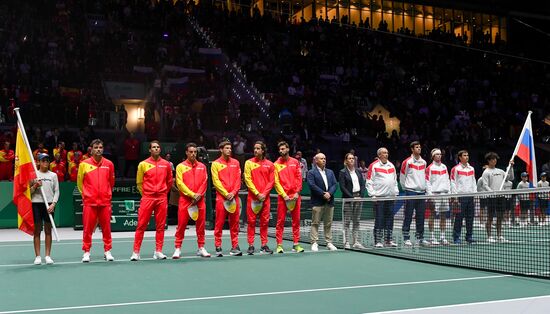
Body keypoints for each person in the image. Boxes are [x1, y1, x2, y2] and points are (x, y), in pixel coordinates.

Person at [131, 141, 173, 261]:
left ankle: (158, 251)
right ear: (149, 150)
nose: (156, 149)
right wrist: (145, 194)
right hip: (147, 197)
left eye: (158, 147)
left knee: (160, 226)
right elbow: (139, 182)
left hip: (161, 198)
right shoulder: (143, 164)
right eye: (153, 147)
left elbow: (169, 181)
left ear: (160, 149)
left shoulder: (166, 164)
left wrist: (163, 192)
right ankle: (136, 252)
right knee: (141, 225)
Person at [77, 139, 116, 262]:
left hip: (105, 202)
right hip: (90, 202)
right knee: (87, 229)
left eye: (100, 147)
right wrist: (86, 196)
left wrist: (107, 195)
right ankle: (86, 252)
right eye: (96, 147)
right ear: (91, 149)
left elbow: (111, 182)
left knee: (106, 228)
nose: (98, 149)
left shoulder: (109, 164)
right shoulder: (84, 164)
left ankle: (107, 251)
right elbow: (79, 183)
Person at [172, 143, 211, 259]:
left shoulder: (202, 167)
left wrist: (198, 195)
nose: (193, 154)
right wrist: (192, 194)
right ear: (186, 153)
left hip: (199, 200)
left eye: (195, 152)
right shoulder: (180, 166)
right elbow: (179, 183)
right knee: (182, 225)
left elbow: (205, 182)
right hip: (185, 200)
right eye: (191, 152)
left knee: (201, 225)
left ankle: (201, 247)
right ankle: (177, 248)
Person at [211, 141, 242, 257]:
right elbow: (216, 181)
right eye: (227, 148)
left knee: (235, 224)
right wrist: (225, 193)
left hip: (234, 197)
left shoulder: (236, 163)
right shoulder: (215, 164)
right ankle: (218, 246)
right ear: (221, 149)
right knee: (219, 223)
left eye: (230, 148)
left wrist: (233, 193)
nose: (229, 150)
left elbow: (238, 180)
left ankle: (235, 246)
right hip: (221, 198)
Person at [244, 141, 275, 255]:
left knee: (265, 222)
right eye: (254, 148)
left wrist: (264, 194)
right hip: (253, 197)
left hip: (265, 198)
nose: (255, 150)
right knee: (251, 222)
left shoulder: (270, 164)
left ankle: (264, 244)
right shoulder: (249, 163)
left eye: (258, 148)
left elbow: (272, 181)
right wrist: (257, 193)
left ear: (263, 150)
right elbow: (248, 179)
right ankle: (251, 245)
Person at [274, 141, 304, 253]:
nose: (281, 151)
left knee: (296, 221)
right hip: (283, 197)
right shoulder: (276, 164)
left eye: (283, 149)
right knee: (280, 221)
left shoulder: (295, 162)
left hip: (295, 196)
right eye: (280, 149)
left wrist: (297, 192)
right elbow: (276, 182)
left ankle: (296, 244)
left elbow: (299, 178)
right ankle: (279, 245)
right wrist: (284, 195)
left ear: (287, 149)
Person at [366, 147, 399, 247]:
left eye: (387, 153)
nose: (386, 154)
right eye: (384, 153)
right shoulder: (374, 165)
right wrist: (373, 195)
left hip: (390, 197)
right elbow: (369, 181)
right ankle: (378, 241)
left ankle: (388, 240)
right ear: (379, 155)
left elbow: (394, 181)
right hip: (379, 198)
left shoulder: (391, 166)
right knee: (379, 219)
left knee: (390, 220)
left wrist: (395, 194)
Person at [30, 153, 59, 265]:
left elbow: (57, 191)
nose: (45, 162)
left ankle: (47, 256)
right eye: (43, 160)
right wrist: (35, 186)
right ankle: (38, 256)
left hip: (49, 205)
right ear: (38, 162)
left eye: (47, 160)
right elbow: (29, 192)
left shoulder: (53, 175)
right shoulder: (34, 175)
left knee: (48, 230)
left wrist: (53, 204)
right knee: (37, 231)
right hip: (36, 204)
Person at [480, 152, 514, 243]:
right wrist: (492, 192)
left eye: (495, 159)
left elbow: (510, 178)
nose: (495, 160)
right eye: (492, 159)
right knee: (490, 217)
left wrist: (510, 168)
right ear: (488, 161)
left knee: (500, 217)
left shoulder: (500, 171)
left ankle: (500, 236)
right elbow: (485, 185)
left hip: (501, 197)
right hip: (491, 197)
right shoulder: (486, 172)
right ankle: (489, 236)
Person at [307, 152, 338, 251]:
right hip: (317, 201)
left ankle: (329, 242)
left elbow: (334, 184)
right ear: (316, 161)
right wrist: (323, 194)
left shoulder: (330, 172)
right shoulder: (311, 172)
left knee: (328, 223)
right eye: (321, 159)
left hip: (329, 201)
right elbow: (312, 185)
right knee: (315, 223)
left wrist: (329, 193)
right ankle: (314, 242)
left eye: (324, 158)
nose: (324, 160)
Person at [400, 141, 428, 246]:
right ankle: (406, 238)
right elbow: (402, 176)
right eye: (417, 147)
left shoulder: (424, 162)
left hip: (421, 192)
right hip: (410, 191)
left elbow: (424, 176)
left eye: (420, 147)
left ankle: (420, 238)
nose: (419, 149)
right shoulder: (407, 162)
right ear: (412, 149)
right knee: (408, 215)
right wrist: (406, 188)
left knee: (421, 216)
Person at [339, 153, 366, 249]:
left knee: (356, 221)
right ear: (346, 161)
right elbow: (342, 187)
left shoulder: (358, 171)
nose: (351, 160)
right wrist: (351, 197)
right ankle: (346, 241)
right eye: (349, 158)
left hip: (359, 198)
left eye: (352, 158)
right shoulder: (343, 172)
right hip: (348, 199)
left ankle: (356, 241)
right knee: (347, 221)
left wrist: (361, 196)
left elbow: (362, 184)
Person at [451, 150, 477, 244]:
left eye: (467, 155)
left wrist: (475, 194)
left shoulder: (471, 169)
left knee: (470, 218)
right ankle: (456, 237)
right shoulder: (456, 169)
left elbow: (474, 181)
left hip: (470, 196)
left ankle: (469, 236)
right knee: (459, 218)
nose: (466, 157)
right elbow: (453, 183)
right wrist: (455, 196)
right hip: (460, 197)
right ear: (460, 157)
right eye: (464, 155)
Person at [425, 148, 451, 245]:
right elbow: (427, 182)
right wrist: (430, 195)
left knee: (443, 216)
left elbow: (447, 180)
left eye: (440, 154)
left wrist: (449, 193)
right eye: (437, 154)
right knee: (432, 215)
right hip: (435, 194)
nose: (439, 156)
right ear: (433, 156)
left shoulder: (444, 167)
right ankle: (432, 237)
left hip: (444, 194)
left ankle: (442, 237)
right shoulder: (430, 168)